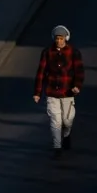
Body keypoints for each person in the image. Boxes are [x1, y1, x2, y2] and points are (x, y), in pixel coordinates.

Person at [32, 24, 84, 159]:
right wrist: (37, 92)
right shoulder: (47, 52)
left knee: (67, 120)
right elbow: (41, 73)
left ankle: (66, 135)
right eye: (57, 39)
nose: (59, 41)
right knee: (56, 121)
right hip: (52, 92)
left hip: (68, 93)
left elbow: (79, 72)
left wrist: (77, 86)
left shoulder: (73, 52)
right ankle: (57, 147)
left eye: (61, 38)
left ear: (66, 38)